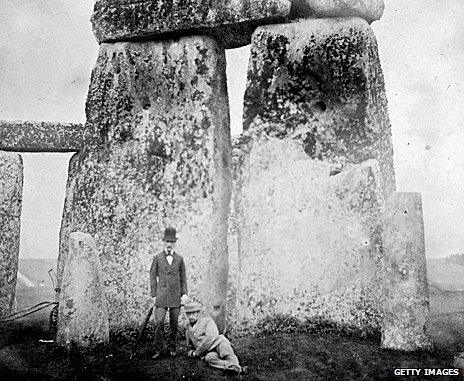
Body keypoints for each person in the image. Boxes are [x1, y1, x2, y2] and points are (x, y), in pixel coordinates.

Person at [150, 227, 188, 358]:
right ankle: (158, 349)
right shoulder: (157, 258)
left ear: (175, 243)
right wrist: (154, 295)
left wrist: (184, 294)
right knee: (159, 321)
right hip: (161, 296)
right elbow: (152, 276)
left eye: (171, 241)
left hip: (175, 296)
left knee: (174, 323)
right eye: (167, 241)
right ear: (163, 242)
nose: (169, 244)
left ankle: (172, 347)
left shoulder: (180, 259)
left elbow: (183, 279)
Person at [183, 302, 242, 375]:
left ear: (198, 314)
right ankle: (232, 367)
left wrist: (198, 352)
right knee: (209, 358)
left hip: (218, 343)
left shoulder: (207, 321)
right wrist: (192, 353)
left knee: (224, 349)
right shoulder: (188, 328)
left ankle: (235, 365)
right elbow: (189, 346)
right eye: (189, 314)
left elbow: (211, 337)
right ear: (186, 315)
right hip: (208, 351)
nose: (191, 316)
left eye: (193, 313)